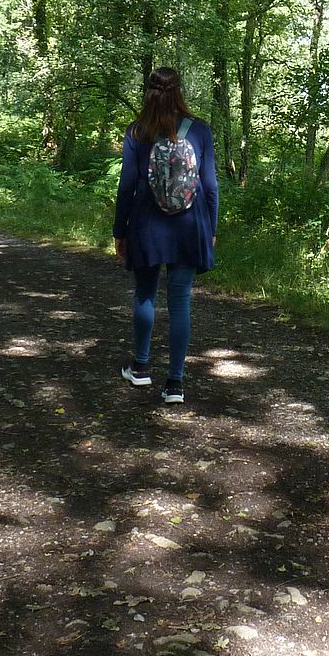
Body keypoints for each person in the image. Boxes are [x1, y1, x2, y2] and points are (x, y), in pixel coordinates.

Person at [112, 67, 218, 404]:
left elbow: (127, 186)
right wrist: (211, 229)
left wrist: (120, 230)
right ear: (179, 91)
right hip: (189, 226)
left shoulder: (137, 131)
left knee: (145, 294)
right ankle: (175, 384)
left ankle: (141, 368)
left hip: (147, 225)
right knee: (180, 301)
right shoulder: (199, 130)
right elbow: (210, 187)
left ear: (149, 92)